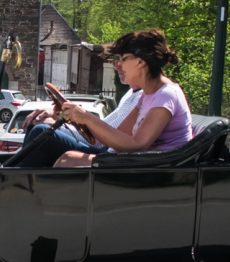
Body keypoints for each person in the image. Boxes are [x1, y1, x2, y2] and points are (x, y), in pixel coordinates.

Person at [14, 29, 192, 167]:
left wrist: (87, 118)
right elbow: (116, 137)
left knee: (65, 157)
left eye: (123, 58)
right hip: (135, 162)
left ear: (140, 61)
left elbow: (137, 146)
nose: (119, 65)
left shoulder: (166, 95)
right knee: (44, 136)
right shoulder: (147, 96)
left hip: (151, 169)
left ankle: (18, 193)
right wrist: (78, 119)